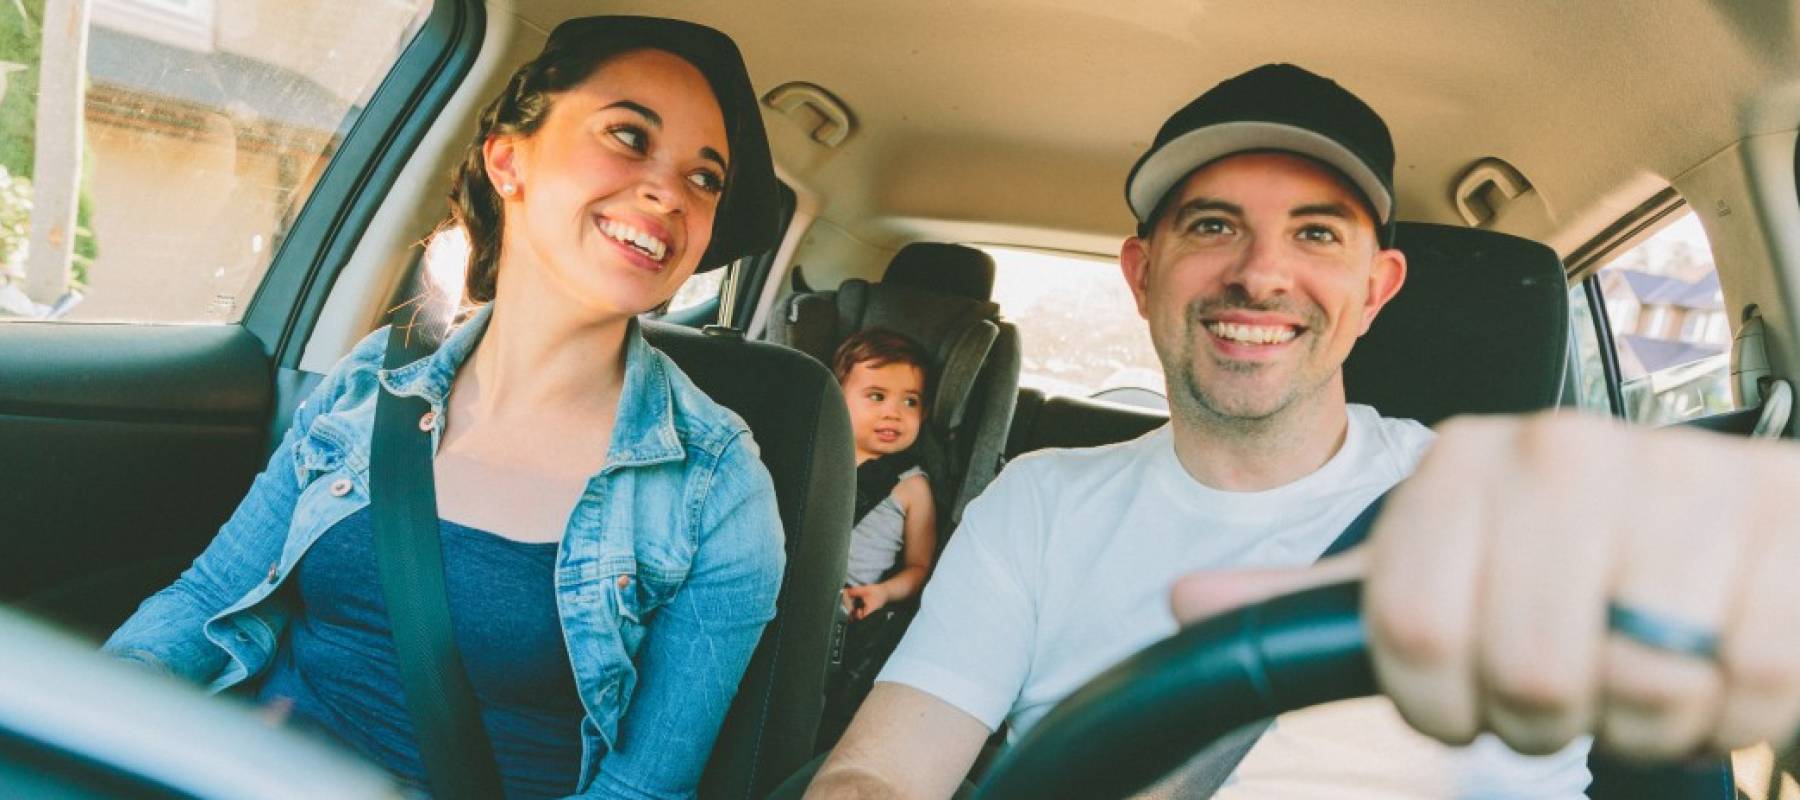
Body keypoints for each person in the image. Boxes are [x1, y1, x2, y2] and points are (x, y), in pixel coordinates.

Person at [805, 64, 1596, 798]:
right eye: (1214, 226)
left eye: (1316, 233)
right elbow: (882, 772)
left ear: (1376, 290)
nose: (1258, 273)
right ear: (1144, 277)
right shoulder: (1034, 506)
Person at [102, 16, 785, 799]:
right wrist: (102, 726)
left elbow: (641, 790)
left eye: (706, 178)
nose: (671, 191)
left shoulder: (717, 486)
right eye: (629, 136)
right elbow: (207, 598)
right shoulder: (374, 380)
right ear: (509, 160)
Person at [819, 328, 940, 746]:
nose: (894, 413)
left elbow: (920, 567)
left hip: (849, 614)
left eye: (910, 401)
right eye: (876, 396)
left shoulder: (911, 486)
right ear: (837, 397)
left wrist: (883, 593)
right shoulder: (811, 456)